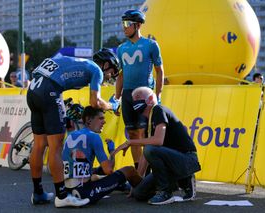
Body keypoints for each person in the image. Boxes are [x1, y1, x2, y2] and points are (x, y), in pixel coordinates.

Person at [26, 48, 121, 207]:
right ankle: (62, 196)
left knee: (39, 145)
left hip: (33, 91)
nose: (109, 77)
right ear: (105, 65)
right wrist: (113, 105)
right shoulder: (96, 70)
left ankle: (37, 193)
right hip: (49, 91)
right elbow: (95, 102)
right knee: (56, 147)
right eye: (112, 72)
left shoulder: (81, 63)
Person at [113, 86, 201, 205]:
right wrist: (136, 184)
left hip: (187, 160)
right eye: (133, 99)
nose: (135, 102)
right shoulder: (149, 121)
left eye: (138, 97)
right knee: (139, 193)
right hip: (172, 164)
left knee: (151, 149)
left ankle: (166, 191)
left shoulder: (158, 109)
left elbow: (158, 141)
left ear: (150, 99)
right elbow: (145, 155)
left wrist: (130, 142)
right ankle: (176, 182)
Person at [60, 106, 142, 207]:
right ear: (88, 120)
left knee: (95, 172)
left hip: (66, 191)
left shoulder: (70, 135)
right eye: (100, 118)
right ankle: (147, 191)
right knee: (129, 170)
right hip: (84, 193)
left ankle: (123, 186)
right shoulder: (94, 136)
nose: (104, 122)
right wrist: (112, 150)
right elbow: (109, 170)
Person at [115, 9, 164, 172]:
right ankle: (139, 173)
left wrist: (157, 95)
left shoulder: (151, 45)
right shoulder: (121, 48)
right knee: (133, 136)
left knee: (145, 137)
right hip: (128, 96)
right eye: (122, 24)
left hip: (144, 95)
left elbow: (160, 71)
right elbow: (120, 75)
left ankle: (149, 173)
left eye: (127, 24)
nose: (124, 28)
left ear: (137, 25)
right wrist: (116, 99)